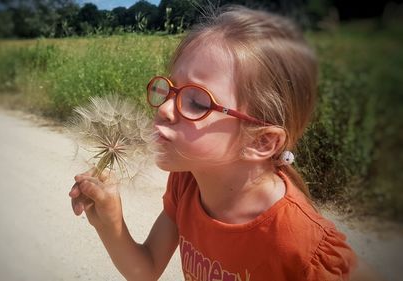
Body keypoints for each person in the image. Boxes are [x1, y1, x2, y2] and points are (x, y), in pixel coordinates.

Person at [69, 5, 382, 281]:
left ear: (261, 142)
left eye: (197, 102)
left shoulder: (300, 242)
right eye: (172, 89)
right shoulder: (185, 184)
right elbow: (146, 270)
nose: (164, 108)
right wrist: (110, 224)